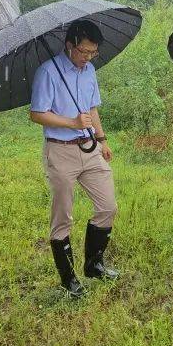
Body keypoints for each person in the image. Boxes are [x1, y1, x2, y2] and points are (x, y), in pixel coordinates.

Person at [29, 19, 119, 298]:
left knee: (108, 206)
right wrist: (71, 122)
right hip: (60, 150)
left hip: (89, 148)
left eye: (93, 53)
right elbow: (36, 113)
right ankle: (69, 279)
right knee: (63, 216)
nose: (88, 58)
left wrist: (102, 139)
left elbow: (92, 108)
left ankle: (94, 264)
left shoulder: (89, 70)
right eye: (83, 52)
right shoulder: (48, 72)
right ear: (70, 46)